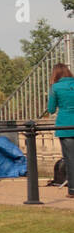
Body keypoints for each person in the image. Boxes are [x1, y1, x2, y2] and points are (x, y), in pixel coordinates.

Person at [47, 63, 74, 197]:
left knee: (70, 158)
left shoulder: (55, 87)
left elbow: (51, 109)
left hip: (65, 124)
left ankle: (72, 190)